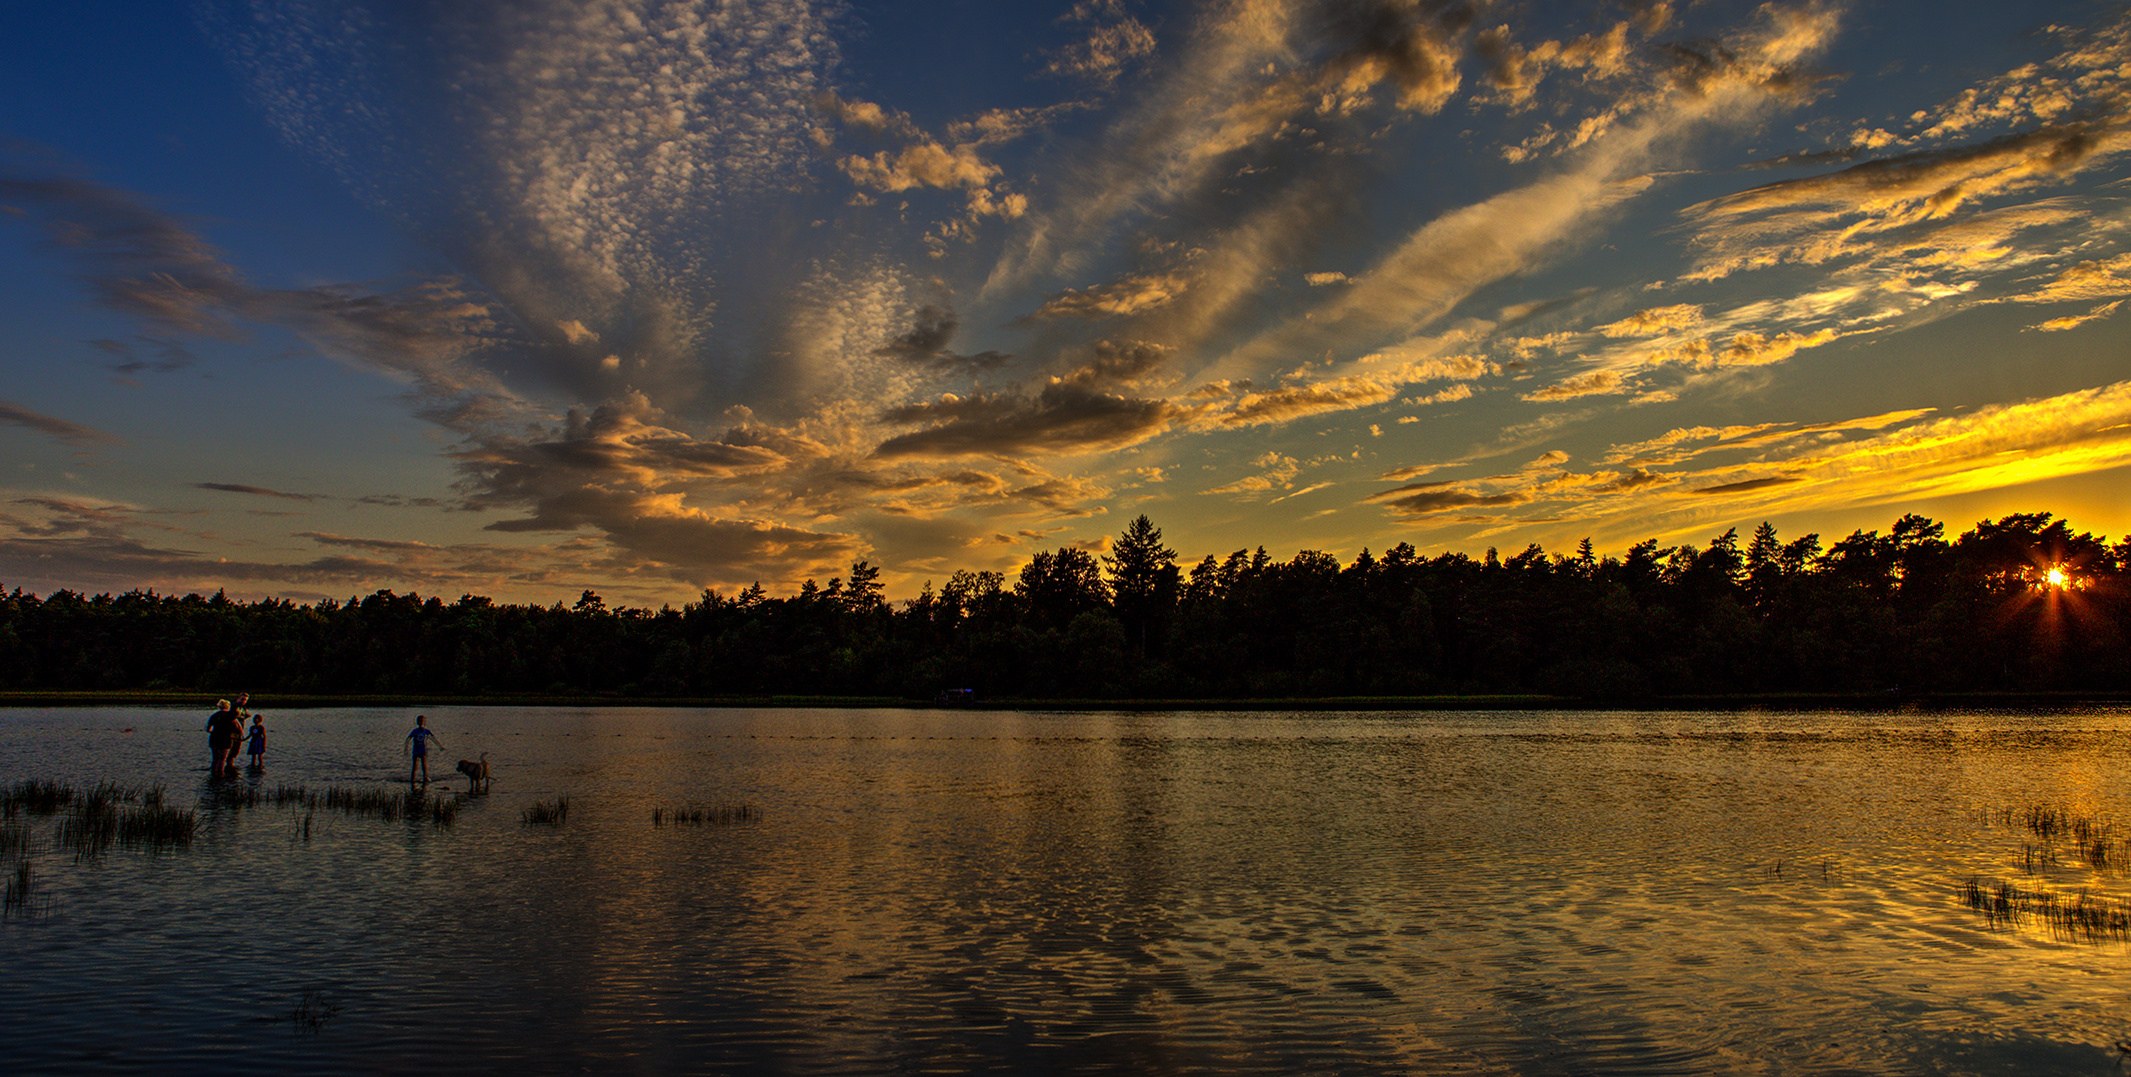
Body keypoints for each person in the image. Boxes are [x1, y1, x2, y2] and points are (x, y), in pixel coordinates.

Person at [205, 698, 243, 778]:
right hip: (226, 739)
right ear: (228, 706)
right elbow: (238, 729)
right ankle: (220, 775)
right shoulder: (231, 717)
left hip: (214, 738)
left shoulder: (214, 716)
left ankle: (213, 774)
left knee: (215, 759)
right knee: (222, 759)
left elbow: (208, 729)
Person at [406, 715, 442, 783]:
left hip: (423, 750)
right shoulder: (415, 731)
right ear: (417, 722)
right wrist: (406, 748)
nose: (421, 722)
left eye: (422, 721)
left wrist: (440, 746)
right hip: (415, 751)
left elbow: (433, 739)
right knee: (414, 767)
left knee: (424, 766)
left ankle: (425, 779)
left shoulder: (426, 731)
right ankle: (412, 780)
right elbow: (408, 738)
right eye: (419, 721)